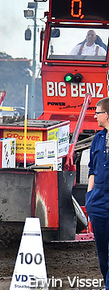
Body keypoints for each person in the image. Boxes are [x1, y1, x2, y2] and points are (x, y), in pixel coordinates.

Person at [86, 96, 109, 289]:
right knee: (102, 251)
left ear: (107, 115)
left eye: (97, 112)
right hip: (99, 201)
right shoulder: (98, 138)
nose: (95, 116)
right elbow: (92, 170)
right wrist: (89, 197)